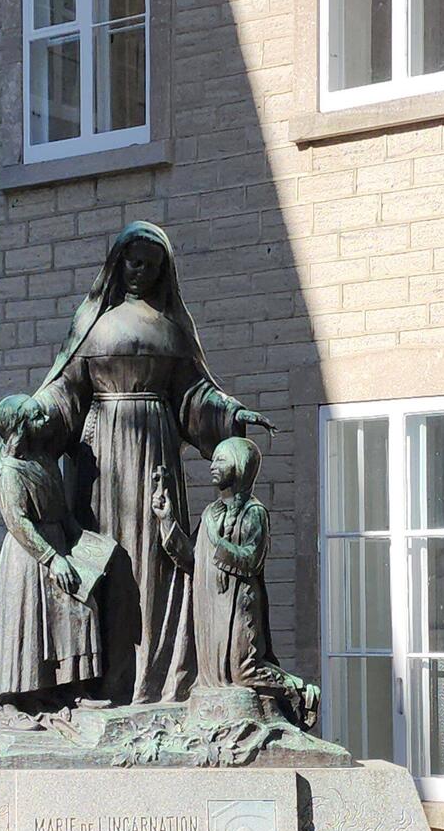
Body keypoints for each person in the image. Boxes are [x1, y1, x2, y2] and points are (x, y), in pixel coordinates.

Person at [27, 221, 275, 706]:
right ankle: (101, 682)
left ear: (163, 271)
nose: (140, 271)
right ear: (118, 263)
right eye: (133, 261)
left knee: (157, 564)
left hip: (155, 452)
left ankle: (160, 678)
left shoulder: (171, 326)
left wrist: (230, 412)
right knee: (106, 561)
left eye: (151, 264)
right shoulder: (90, 324)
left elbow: (194, 395)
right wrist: (34, 417)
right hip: (99, 459)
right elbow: (65, 391)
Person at [152, 436, 320, 730]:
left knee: (243, 668)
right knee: (214, 672)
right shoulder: (210, 513)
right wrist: (167, 521)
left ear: (241, 466)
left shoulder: (254, 512)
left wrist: (218, 545)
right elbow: (192, 557)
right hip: (209, 605)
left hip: (239, 602)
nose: (212, 466)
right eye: (213, 460)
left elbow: (252, 558)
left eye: (221, 460)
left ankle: (299, 691)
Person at [0, 393, 115, 700]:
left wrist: (87, 545)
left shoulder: (45, 461)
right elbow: (18, 521)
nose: (45, 422)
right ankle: (13, 701)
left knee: (81, 611)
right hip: (30, 553)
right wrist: (53, 559)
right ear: (21, 428)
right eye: (36, 418)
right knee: (27, 627)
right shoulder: (12, 472)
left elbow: (64, 512)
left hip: (59, 542)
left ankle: (74, 690)